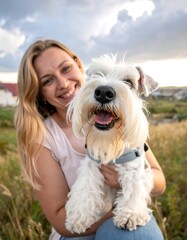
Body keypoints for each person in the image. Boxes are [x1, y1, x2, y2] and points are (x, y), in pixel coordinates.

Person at [15, 39, 166, 240]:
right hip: (76, 235)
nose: (63, 84)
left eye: (66, 68)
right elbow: (63, 222)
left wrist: (125, 189)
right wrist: (123, 212)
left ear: (79, 66)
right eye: (47, 81)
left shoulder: (122, 123)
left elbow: (159, 180)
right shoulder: (42, 137)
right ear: (39, 91)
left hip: (126, 213)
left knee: (134, 233)